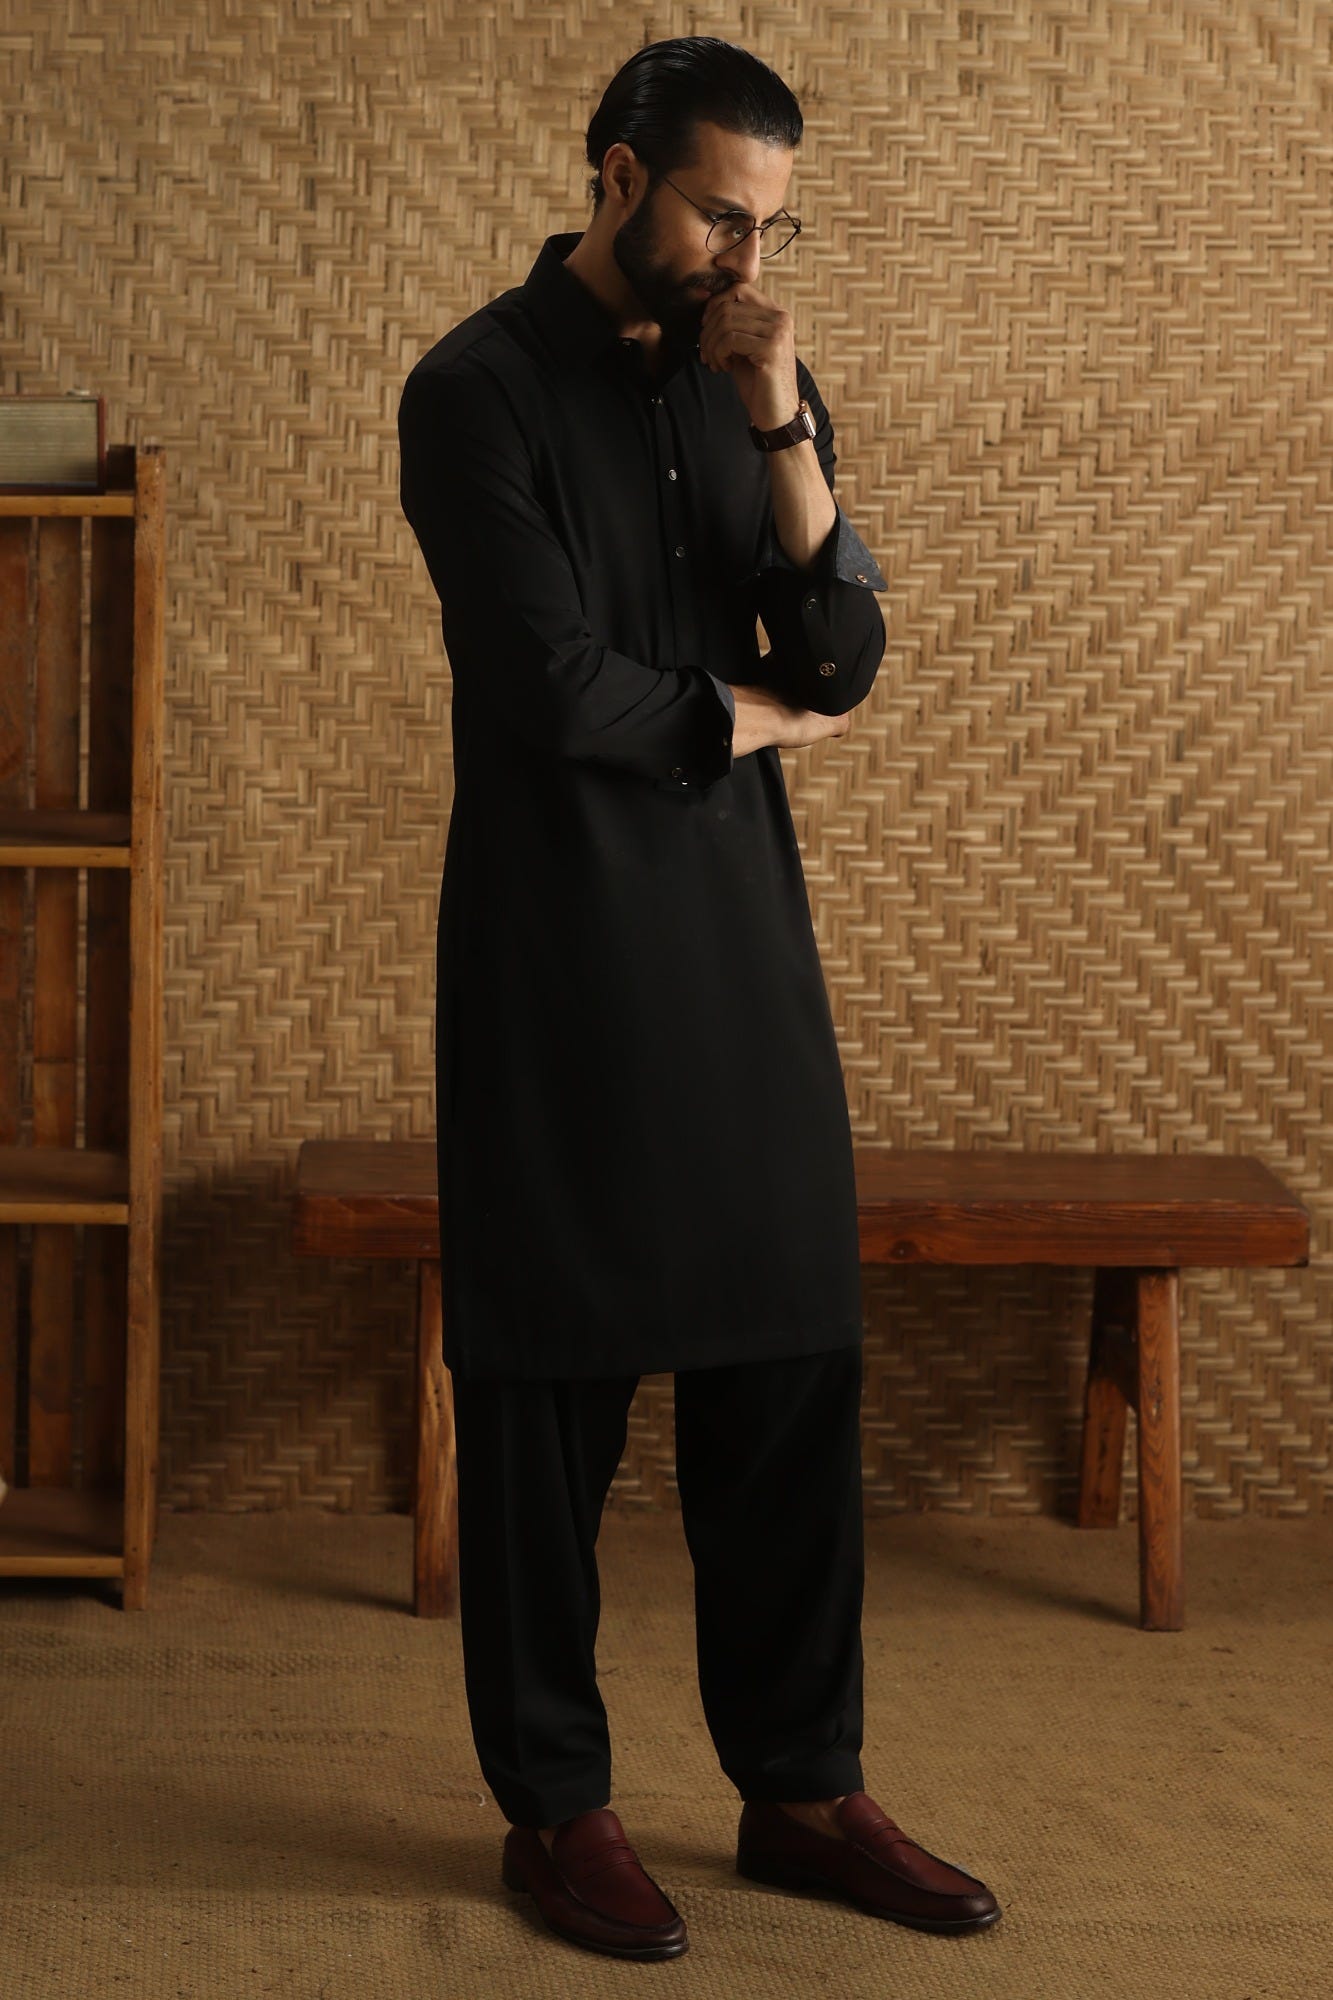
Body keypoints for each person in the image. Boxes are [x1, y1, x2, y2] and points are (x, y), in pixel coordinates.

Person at [398, 34, 1001, 1962]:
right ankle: (555, 1807)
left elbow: (843, 656)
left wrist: (780, 425)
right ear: (615, 178)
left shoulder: (759, 379)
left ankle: (802, 1788)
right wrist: (736, 716)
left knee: (788, 1366)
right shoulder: (473, 390)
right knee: (545, 1396)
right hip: (557, 952)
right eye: (721, 218)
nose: (749, 259)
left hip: (742, 946)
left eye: (772, 228)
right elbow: (542, 679)